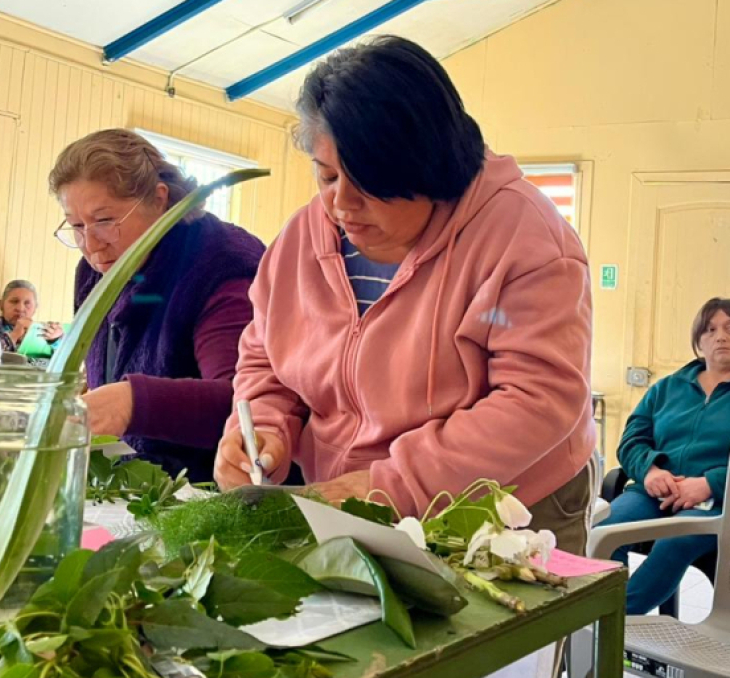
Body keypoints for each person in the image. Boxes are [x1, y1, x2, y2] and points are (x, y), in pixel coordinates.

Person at [212, 36, 595, 553]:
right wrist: (263, 429)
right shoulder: (305, 235)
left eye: (369, 183)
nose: (341, 205)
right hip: (346, 498)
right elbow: (266, 356)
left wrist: (387, 485)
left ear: (429, 168)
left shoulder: (523, 238)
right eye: (326, 175)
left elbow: (537, 400)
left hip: (502, 508)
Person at [50, 128, 264, 483]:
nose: (92, 246)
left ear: (159, 199)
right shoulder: (95, 270)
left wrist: (132, 402)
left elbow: (247, 405)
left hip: (205, 491)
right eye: (76, 226)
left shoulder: (222, 264)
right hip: (126, 486)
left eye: (105, 220)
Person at [596, 298, 730, 613]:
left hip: (723, 503)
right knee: (605, 530)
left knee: (676, 539)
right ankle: (599, 613)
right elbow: (631, 440)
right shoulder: (666, 389)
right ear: (699, 343)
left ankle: (613, 622)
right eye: (710, 330)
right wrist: (651, 471)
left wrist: (710, 483)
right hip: (654, 491)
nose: (721, 336)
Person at [0, 279, 63, 354]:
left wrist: (56, 341)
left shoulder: (45, 331)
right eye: (14, 301)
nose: (20, 308)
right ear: (1, 305)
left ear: (35, 308)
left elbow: (65, 358)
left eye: (27, 303)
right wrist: (14, 335)